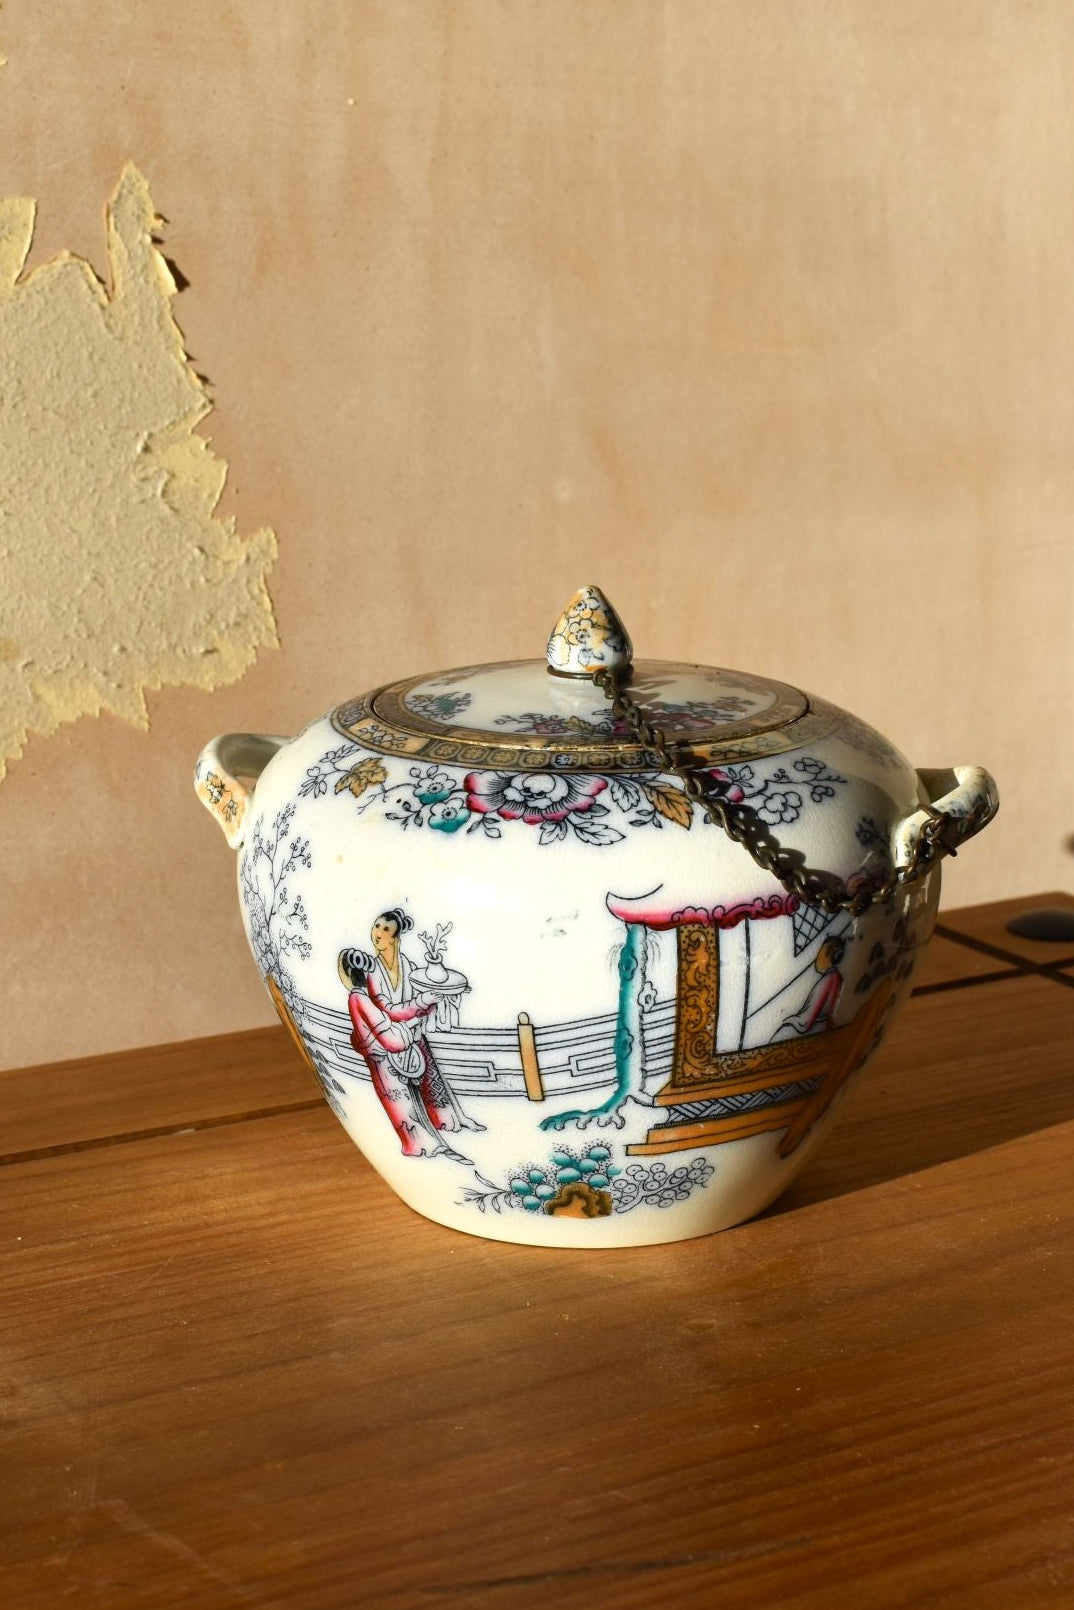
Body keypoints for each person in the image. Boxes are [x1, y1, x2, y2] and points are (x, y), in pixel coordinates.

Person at [338, 947, 465, 1160]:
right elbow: (389, 1035)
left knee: (403, 1105)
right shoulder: (359, 1000)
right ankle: (422, 1146)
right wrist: (414, 1021)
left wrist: (415, 1018)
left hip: (384, 1061)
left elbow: (386, 1027)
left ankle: (423, 1146)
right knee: (403, 1105)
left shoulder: (359, 999)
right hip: (383, 1059)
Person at [369, 908, 484, 1133]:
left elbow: (419, 995)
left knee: (433, 1080)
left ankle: (451, 1120)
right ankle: (423, 1129)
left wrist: (443, 996)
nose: (378, 933)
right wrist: (422, 1001)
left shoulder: (407, 965)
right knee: (402, 1095)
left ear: (395, 938)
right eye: (376, 927)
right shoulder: (373, 971)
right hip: (389, 1041)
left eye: (385, 929)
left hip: (412, 1034)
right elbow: (386, 1009)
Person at [777, 936, 846, 1037]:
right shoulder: (836, 976)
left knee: (782, 1031)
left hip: (818, 1028)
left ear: (828, 955)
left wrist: (788, 1021)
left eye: (820, 954)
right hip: (827, 1025)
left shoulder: (827, 980)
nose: (817, 958)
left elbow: (806, 1021)